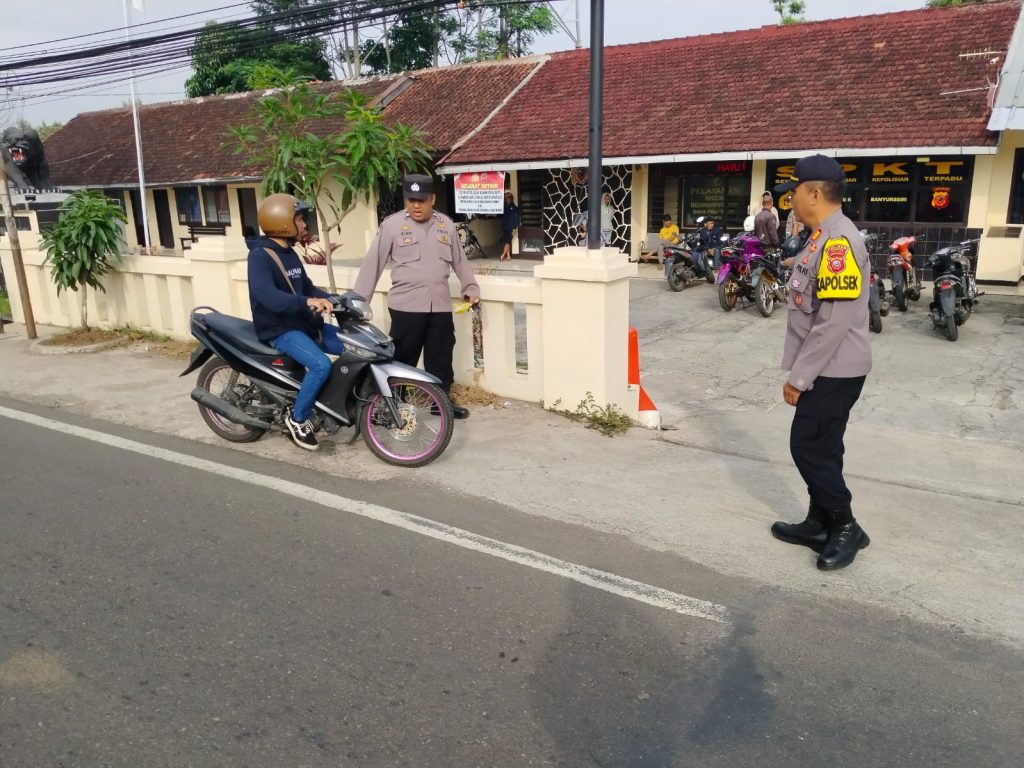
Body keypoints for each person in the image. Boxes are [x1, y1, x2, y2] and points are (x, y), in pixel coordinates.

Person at [771, 154, 872, 571]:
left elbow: (832, 323)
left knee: (808, 447)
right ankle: (819, 522)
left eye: (793, 191)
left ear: (814, 193)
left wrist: (799, 378)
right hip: (828, 367)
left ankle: (847, 527)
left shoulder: (838, 244)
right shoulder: (821, 237)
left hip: (833, 369)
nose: (789, 198)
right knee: (825, 448)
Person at [354, 174, 480, 420]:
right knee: (402, 358)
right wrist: (359, 302)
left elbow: (460, 261)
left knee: (441, 355)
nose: (416, 205)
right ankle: (394, 406)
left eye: (421, 200)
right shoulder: (391, 226)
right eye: (411, 200)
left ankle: (441, 402)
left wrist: (470, 287)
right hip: (406, 307)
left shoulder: (446, 225)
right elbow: (373, 264)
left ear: (432, 199)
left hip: (440, 304)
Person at [247, 193, 341, 452]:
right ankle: (297, 419)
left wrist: (332, 298)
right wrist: (307, 302)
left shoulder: (290, 253)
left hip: (302, 322)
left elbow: (306, 286)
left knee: (349, 346)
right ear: (283, 221)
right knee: (321, 365)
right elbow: (268, 296)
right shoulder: (260, 256)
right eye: (299, 219)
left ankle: (329, 404)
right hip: (280, 328)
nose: (303, 225)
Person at [499, 190, 520, 262]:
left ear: (511, 198)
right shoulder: (503, 207)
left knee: (508, 241)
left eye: (509, 197)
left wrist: (515, 228)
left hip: (511, 228)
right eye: (506, 197)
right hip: (504, 227)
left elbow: (517, 219)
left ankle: (502, 255)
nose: (508, 198)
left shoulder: (515, 208)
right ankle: (508, 256)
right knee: (506, 241)